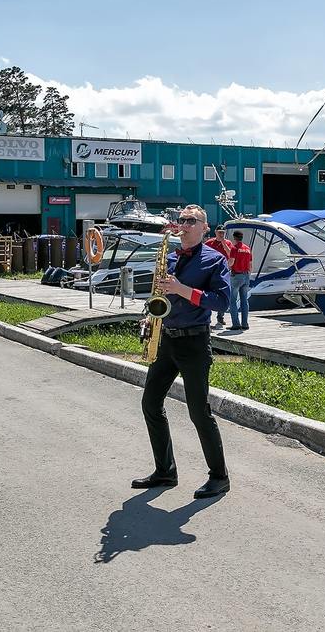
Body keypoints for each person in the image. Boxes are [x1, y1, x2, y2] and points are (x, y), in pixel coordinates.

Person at [133, 205, 232, 499]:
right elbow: (160, 295)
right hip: (167, 338)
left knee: (198, 412)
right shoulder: (171, 258)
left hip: (194, 342)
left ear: (205, 228)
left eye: (192, 221)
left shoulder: (215, 260)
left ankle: (219, 477)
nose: (185, 224)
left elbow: (222, 302)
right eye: (182, 220)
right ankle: (165, 471)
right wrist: (149, 315)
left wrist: (181, 289)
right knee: (150, 403)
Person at [204, 225, 234, 327]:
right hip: (210, 271)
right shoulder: (209, 243)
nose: (221, 234)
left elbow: (231, 255)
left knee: (222, 293)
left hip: (222, 272)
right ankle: (206, 317)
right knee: (207, 293)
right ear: (215, 232)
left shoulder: (228, 243)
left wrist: (224, 244)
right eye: (219, 232)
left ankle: (220, 318)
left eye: (223, 233)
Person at [228, 230, 253, 330]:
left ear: (234, 238)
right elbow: (250, 265)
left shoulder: (234, 248)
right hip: (246, 275)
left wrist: (227, 265)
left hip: (236, 275)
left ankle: (236, 324)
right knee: (244, 300)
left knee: (233, 300)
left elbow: (231, 262)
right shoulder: (247, 248)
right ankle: (245, 324)